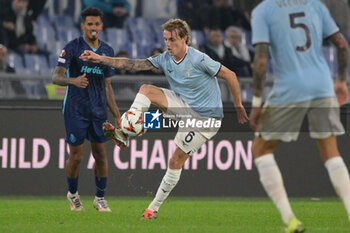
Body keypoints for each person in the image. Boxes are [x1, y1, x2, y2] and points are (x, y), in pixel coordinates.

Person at [80, 18, 249, 219]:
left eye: (172, 39)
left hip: (206, 118)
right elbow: (132, 64)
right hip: (184, 106)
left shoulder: (199, 59)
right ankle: (125, 131)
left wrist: (238, 106)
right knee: (146, 90)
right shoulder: (165, 59)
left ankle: (153, 208)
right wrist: (100, 59)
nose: (168, 44)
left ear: (185, 38)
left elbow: (231, 75)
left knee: (175, 159)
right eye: (165, 39)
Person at [250, 0, 350, 232]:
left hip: (290, 88)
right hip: (322, 85)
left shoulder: (263, 10)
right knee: (331, 153)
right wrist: (341, 80)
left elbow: (261, 61)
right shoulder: (315, 4)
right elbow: (342, 44)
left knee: (261, 149)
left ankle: (290, 221)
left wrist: (256, 102)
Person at [52, 7, 124, 212]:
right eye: (89, 24)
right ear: (83, 25)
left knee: (101, 154)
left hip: (99, 111)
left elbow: (108, 86)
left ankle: (100, 198)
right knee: (76, 156)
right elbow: (55, 77)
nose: (93, 28)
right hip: (76, 109)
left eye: (97, 24)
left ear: (101, 26)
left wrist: (117, 114)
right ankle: (73, 195)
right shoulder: (72, 47)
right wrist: (72, 80)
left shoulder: (107, 51)